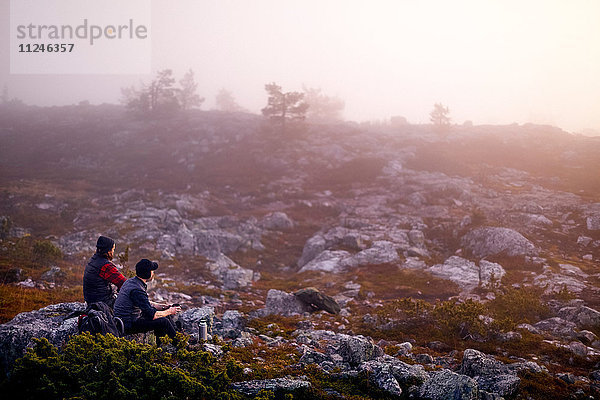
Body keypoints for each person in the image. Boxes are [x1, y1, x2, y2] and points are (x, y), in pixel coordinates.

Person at [114, 258, 181, 340]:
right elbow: (152, 315)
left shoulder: (131, 282)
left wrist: (163, 307)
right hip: (128, 324)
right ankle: (180, 345)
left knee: (164, 315)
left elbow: (144, 304)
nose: (153, 273)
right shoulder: (137, 290)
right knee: (163, 321)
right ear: (148, 273)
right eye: (152, 271)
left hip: (125, 319)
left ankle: (171, 339)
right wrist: (170, 311)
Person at [83, 235, 126, 308]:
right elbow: (124, 283)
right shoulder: (106, 266)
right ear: (108, 251)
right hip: (103, 303)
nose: (113, 252)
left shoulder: (93, 260)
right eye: (113, 249)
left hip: (91, 301)